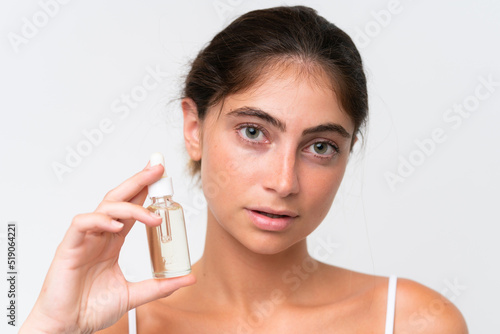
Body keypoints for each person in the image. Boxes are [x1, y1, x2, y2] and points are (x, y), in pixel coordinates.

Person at [20, 5, 468, 333]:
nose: (283, 181)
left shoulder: (413, 321)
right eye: (254, 132)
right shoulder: (112, 327)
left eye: (320, 146)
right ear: (194, 129)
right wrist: (51, 325)